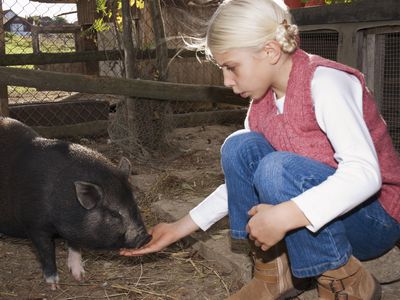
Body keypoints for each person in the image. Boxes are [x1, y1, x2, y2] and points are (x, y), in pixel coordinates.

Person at [120, 0, 400, 299]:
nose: (227, 81)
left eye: (231, 67)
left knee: (276, 168)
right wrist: (180, 227)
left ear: (269, 51)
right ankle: (273, 271)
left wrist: (286, 215)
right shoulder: (260, 106)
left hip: (373, 222)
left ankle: (342, 279)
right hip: (315, 222)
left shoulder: (326, 82)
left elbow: (364, 175)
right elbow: (243, 181)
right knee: (240, 146)